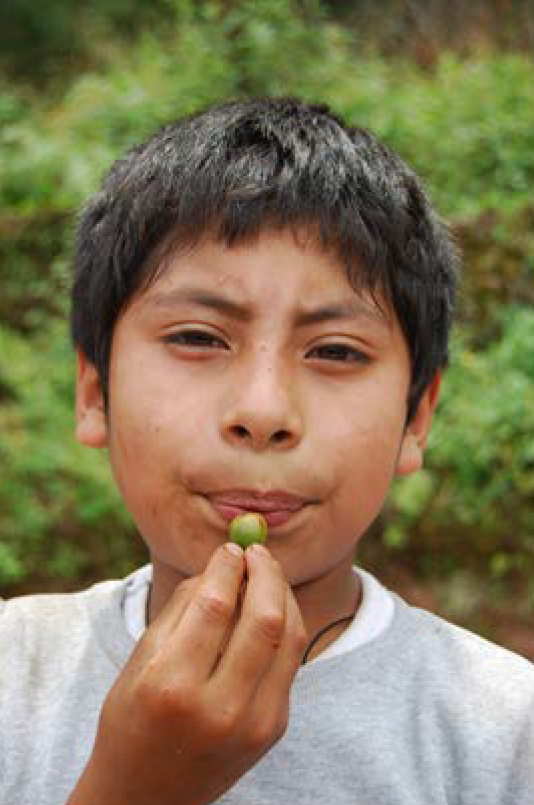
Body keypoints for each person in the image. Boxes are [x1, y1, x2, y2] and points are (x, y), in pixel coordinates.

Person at [0, 97, 532, 805]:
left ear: (416, 418)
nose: (263, 411)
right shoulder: (13, 675)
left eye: (336, 350)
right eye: (196, 337)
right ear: (94, 392)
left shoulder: (506, 732)